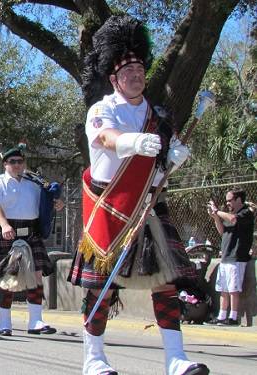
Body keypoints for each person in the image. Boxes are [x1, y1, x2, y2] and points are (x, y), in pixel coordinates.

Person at [67, 15, 208, 375]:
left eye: (139, 67)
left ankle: (175, 359)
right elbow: (105, 139)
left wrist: (173, 156)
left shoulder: (157, 115)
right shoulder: (101, 110)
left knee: (166, 284)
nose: (136, 74)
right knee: (101, 289)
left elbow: (159, 170)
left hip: (148, 206)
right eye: (127, 70)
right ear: (113, 78)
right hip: (111, 208)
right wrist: (132, 142)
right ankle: (94, 359)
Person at [0, 145, 63, 336]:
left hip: (31, 233)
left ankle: (36, 321)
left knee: (36, 275)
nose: (17, 165)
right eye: (12, 162)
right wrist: (4, 225)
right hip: (8, 231)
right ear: (5, 164)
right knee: (9, 279)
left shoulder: (34, 183)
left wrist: (56, 204)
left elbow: (44, 204)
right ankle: (5, 323)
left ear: (24, 163)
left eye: (20, 161)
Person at [207, 187, 255, 326]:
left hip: (237, 258)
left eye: (230, 200)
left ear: (238, 199)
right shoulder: (229, 214)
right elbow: (223, 232)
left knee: (233, 289)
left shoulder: (245, 213)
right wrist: (215, 217)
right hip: (226, 257)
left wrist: (217, 211)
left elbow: (233, 219)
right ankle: (222, 316)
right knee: (223, 289)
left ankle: (233, 317)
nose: (227, 203)